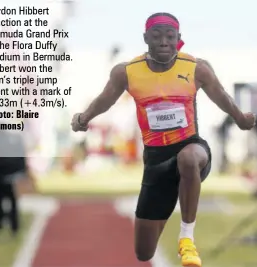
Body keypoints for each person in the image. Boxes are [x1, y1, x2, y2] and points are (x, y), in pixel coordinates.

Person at [71, 12, 256, 267]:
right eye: (157, 36)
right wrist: (83, 118)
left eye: (170, 37)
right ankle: (169, 202)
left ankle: (187, 240)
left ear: (179, 39)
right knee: (143, 252)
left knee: (188, 158)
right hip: (157, 160)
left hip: (191, 146)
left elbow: (221, 96)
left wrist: (240, 118)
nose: (164, 42)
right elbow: (106, 98)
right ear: (145, 38)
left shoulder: (195, 68)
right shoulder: (126, 72)